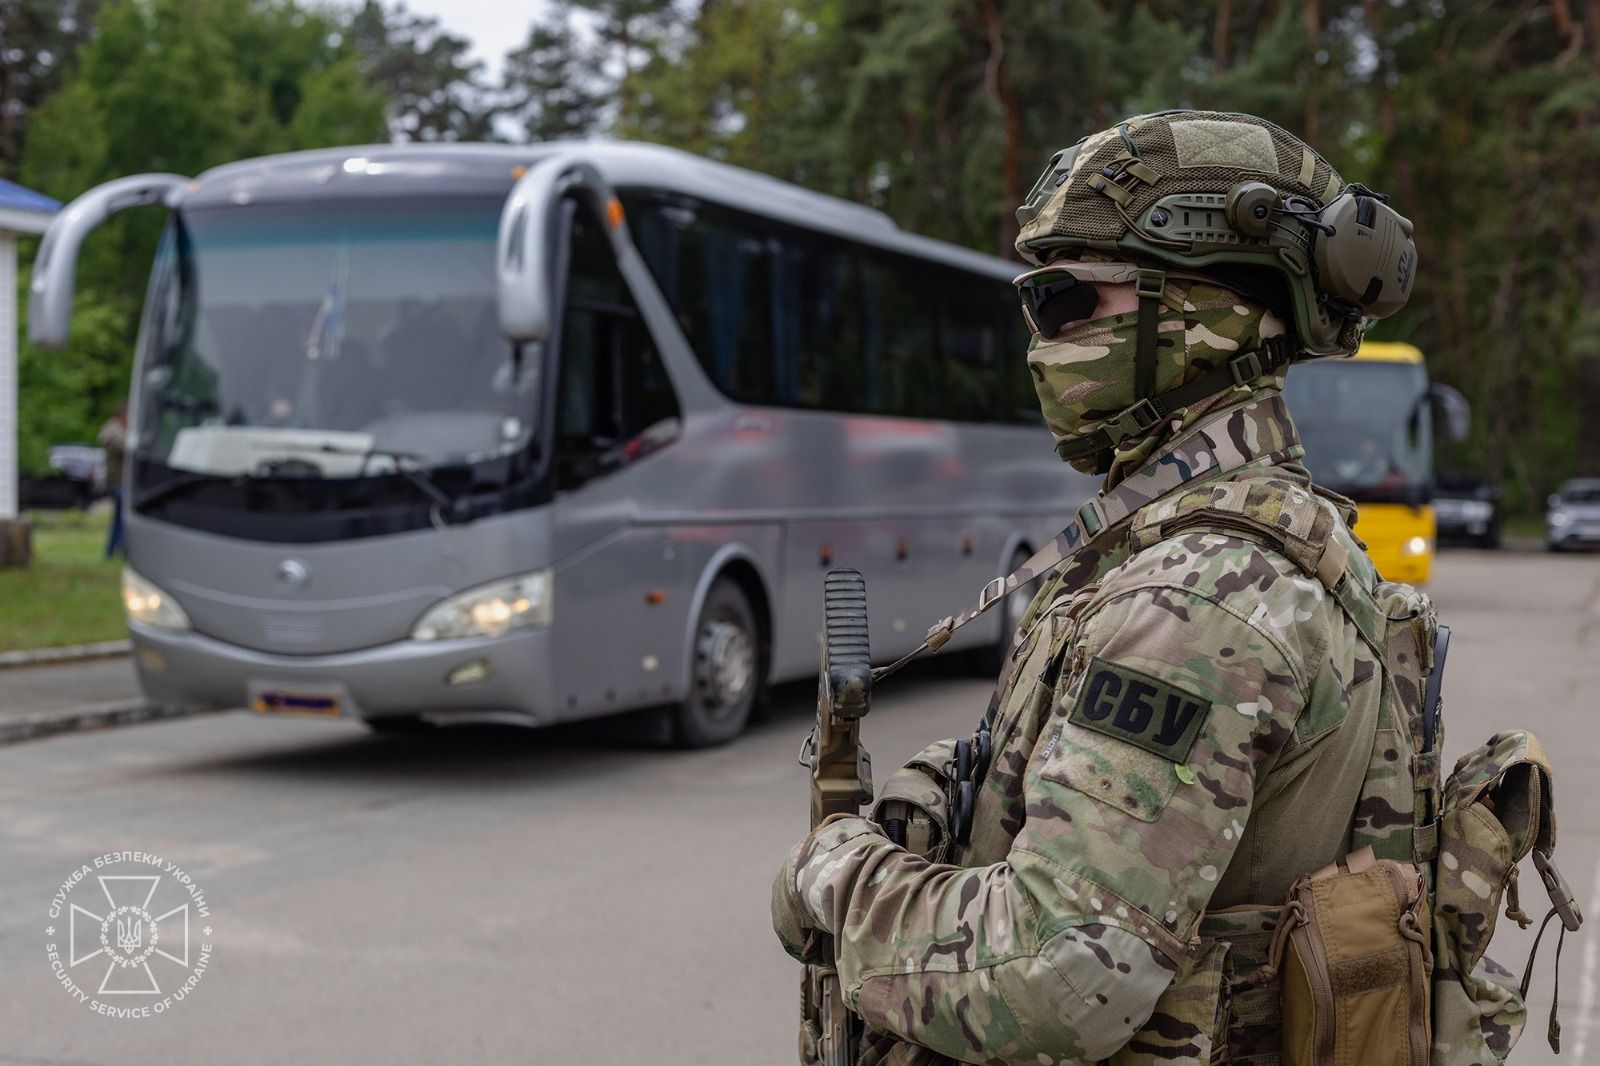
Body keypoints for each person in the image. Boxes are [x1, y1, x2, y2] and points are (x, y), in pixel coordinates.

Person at [772, 111, 1443, 1064]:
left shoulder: (1195, 600)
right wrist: (962, 797)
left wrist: (831, 877)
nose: (1039, 340)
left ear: (1201, 316)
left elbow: (1054, 975)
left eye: (1064, 302)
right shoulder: (1272, 535)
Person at [98, 404, 129, 558]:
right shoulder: (113, 431)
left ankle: (112, 552)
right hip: (118, 481)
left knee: (119, 518)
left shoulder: (120, 430)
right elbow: (124, 449)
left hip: (122, 481)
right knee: (122, 517)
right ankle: (120, 551)